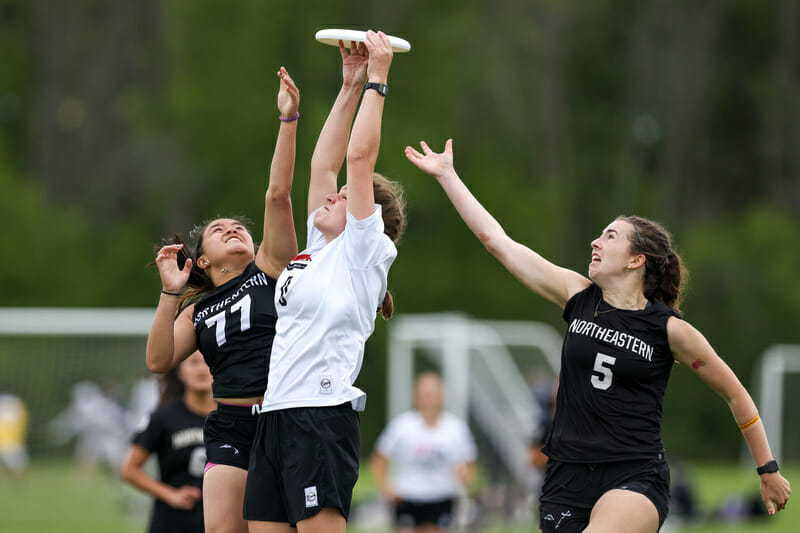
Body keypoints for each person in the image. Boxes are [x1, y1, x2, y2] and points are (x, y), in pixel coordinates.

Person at [404, 139, 791, 533]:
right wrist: (448, 176)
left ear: (636, 260)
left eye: (609, 237)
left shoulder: (669, 330)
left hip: (634, 476)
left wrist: (768, 469)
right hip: (566, 477)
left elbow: (735, 394)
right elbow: (497, 242)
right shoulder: (577, 297)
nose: (595, 241)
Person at [243, 31, 406, 533]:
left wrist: (378, 79)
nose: (330, 197)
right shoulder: (317, 245)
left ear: (367, 215)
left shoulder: (364, 251)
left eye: (342, 198)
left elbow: (356, 163)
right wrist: (351, 84)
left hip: (320, 416)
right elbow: (325, 164)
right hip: (274, 415)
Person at [145, 67, 300, 533]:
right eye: (218, 230)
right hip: (230, 425)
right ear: (205, 261)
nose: (233, 228)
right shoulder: (197, 309)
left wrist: (288, 121)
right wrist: (170, 291)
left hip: (283, 418)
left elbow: (277, 196)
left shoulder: (271, 270)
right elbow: (158, 359)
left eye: (238, 226)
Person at [370, 372, 477, 533]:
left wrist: (462, 477)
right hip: (407, 498)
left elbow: (469, 464)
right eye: (425, 395)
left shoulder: (456, 428)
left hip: (441, 498)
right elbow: (379, 459)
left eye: (433, 394)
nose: (429, 399)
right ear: (416, 396)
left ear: (442, 396)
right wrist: (386, 489)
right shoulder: (401, 426)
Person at [121, 351, 216, 533]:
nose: (202, 369)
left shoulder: (235, 416)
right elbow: (129, 470)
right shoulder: (162, 418)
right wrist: (171, 495)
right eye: (194, 362)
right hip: (172, 522)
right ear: (180, 372)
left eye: (208, 361)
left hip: (222, 521)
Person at [0, 390, 29, 478]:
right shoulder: (18, 404)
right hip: (14, 443)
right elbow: (24, 422)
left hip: (5, 442)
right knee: (21, 471)